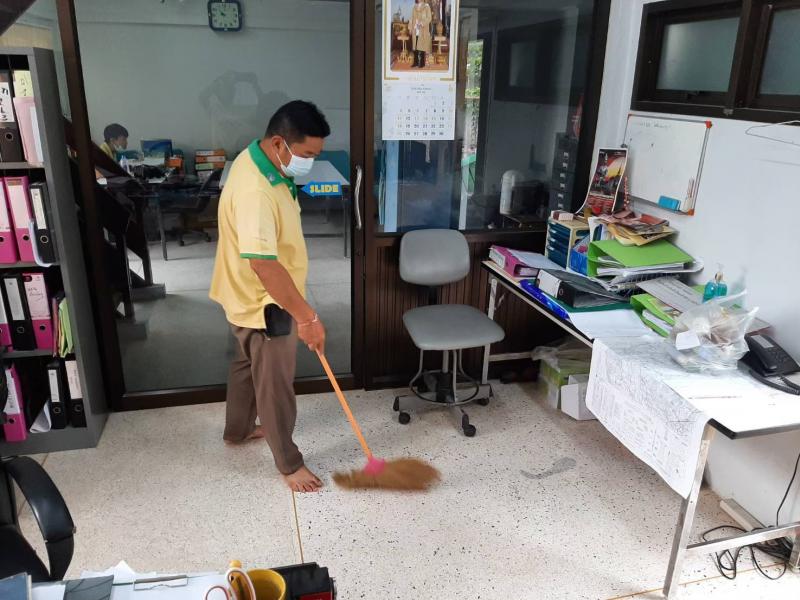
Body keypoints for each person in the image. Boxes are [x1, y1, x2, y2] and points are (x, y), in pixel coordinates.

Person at [210, 100, 329, 493]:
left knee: (246, 365)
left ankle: (238, 430)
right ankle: (288, 463)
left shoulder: (257, 159)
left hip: (240, 293)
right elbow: (263, 264)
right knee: (275, 384)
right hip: (265, 301)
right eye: (307, 154)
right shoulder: (255, 190)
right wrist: (307, 317)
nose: (310, 162)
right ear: (279, 143)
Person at [410, 0, 432, 69]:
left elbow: (429, 18)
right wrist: (410, 28)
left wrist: (422, 23)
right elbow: (412, 18)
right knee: (415, 46)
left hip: (423, 30)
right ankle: (415, 62)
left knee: (422, 46)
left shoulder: (426, 6)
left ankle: (421, 63)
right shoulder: (414, 7)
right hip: (415, 29)